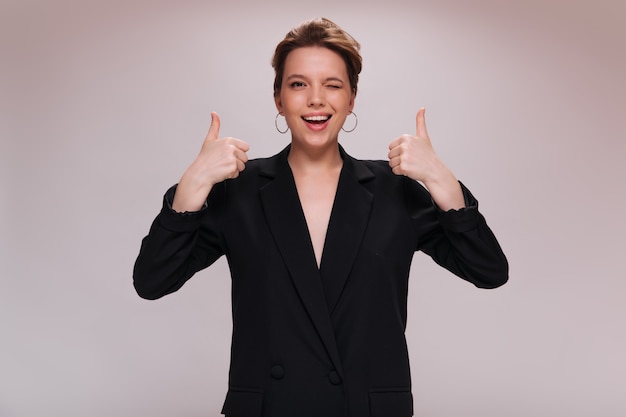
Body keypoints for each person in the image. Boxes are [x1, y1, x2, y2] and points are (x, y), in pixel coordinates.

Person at [133, 17, 508, 417]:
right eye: (298, 84)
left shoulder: (393, 189)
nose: (316, 99)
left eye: (332, 85)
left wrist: (442, 181)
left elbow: (489, 271)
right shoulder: (238, 190)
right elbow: (152, 281)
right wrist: (190, 189)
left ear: (351, 98)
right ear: (278, 98)